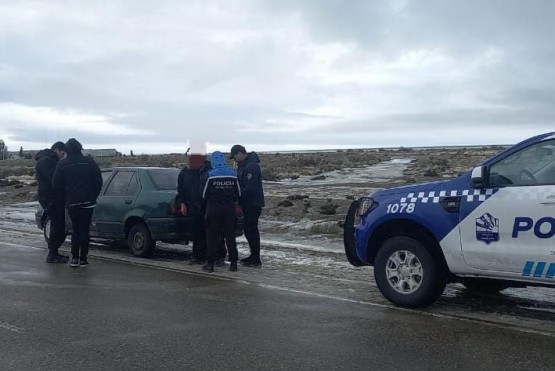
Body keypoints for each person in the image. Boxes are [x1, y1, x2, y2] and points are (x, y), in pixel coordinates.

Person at [52, 138, 103, 268]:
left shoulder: (62, 164)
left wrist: (64, 199)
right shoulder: (89, 161)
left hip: (72, 202)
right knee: (84, 230)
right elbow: (98, 180)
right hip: (88, 202)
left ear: (67, 150)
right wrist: (93, 195)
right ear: (80, 148)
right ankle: (83, 259)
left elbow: (56, 184)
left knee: (75, 229)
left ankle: (74, 258)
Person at [201, 151, 240, 273]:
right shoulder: (233, 174)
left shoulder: (210, 175)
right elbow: (238, 193)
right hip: (229, 209)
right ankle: (233, 264)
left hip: (213, 208)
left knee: (212, 237)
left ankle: (210, 264)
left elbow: (204, 194)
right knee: (230, 237)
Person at [229, 144, 265, 267]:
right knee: (248, 229)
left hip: (253, 203)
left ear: (240, 153)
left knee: (251, 229)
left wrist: (238, 197)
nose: (234, 160)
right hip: (247, 203)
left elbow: (250, 187)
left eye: (234, 156)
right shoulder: (243, 166)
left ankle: (255, 257)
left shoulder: (251, 166)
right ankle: (253, 255)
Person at [34, 141, 68, 263]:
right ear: (57, 150)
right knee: (57, 224)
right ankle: (52, 253)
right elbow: (53, 178)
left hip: (50, 197)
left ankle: (54, 252)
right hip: (50, 198)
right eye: (62, 153)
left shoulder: (48, 160)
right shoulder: (47, 161)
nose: (63, 156)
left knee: (58, 224)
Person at [177, 153, 209, 265]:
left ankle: (212, 256)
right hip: (192, 206)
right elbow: (180, 189)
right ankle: (197, 256)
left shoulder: (207, 170)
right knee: (196, 232)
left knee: (210, 232)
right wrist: (182, 203)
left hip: (207, 206)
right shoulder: (184, 173)